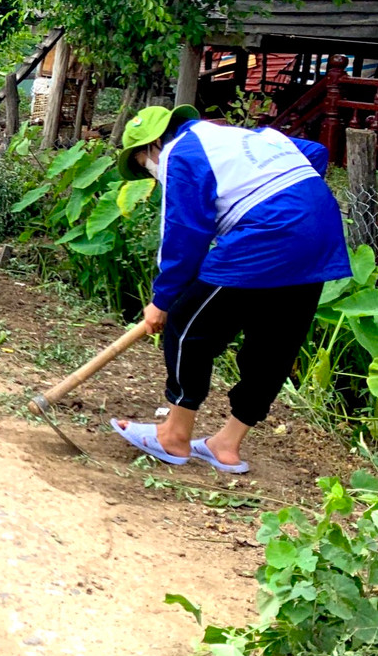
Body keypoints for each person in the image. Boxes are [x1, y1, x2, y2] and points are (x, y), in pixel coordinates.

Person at [113, 105, 350, 473]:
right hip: (319, 235)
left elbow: (184, 234)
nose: (151, 172)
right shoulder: (248, 137)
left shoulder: (179, 151)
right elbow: (316, 153)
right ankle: (226, 445)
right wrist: (284, 199)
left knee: (186, 327)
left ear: (155, 144)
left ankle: (174, 435)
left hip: (268, 234)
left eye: (144, 162)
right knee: (274, 346)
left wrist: (162, 301)